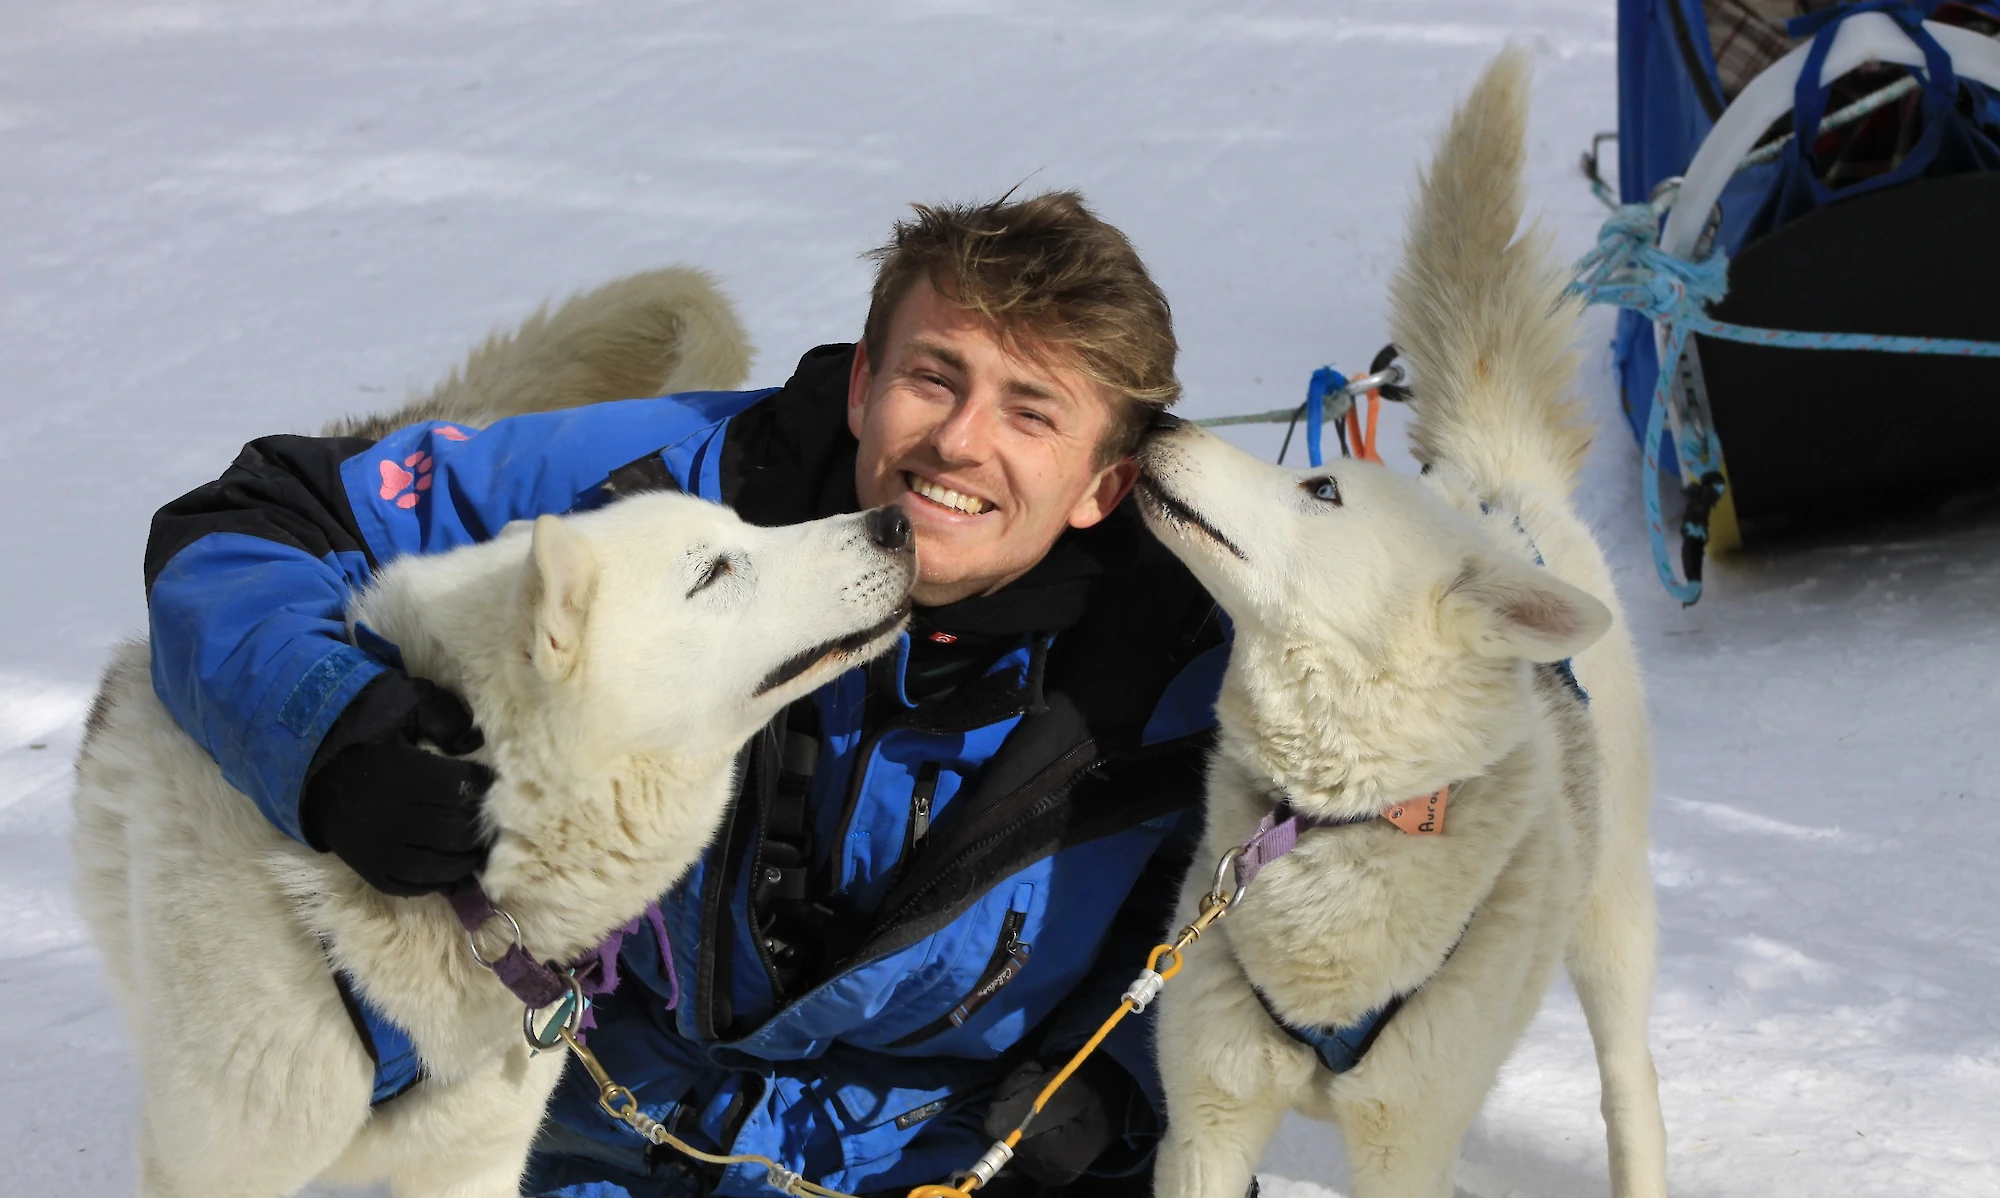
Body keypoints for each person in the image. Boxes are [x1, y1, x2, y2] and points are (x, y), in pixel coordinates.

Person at [143, 191, 1227, 1197]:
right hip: (607, 1128)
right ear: (861, 383)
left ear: (1105, 484)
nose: (957, 440)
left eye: (1030, 412)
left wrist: (1113, 1099)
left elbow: (1288, 933)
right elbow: (258, 519)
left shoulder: (1193, 658)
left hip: (955, 1154)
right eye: (932, 376)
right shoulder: (663, 494)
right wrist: (329, 730)